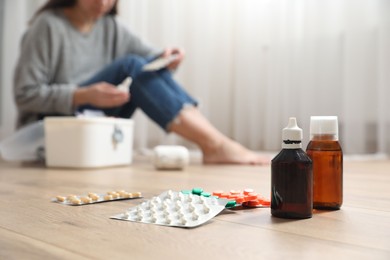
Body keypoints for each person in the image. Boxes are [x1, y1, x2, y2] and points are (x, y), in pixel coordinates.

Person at [14, 0, 268, 165]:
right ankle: (215, 145)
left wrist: (168, 58)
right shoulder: (47, 26)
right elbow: (25, 94)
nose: (103, 3)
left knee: (141, 68)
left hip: (93, 123)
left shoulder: (111, 26)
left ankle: (215, 144)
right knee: (132, 65)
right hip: (53, 127)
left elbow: (151, 63)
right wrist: (84, 95)